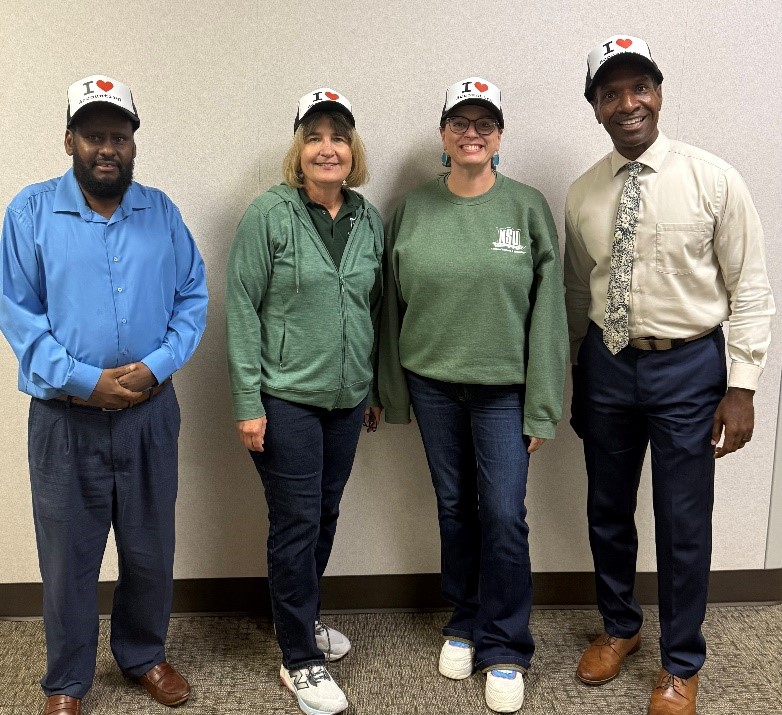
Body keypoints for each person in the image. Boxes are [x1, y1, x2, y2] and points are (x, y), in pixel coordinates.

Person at [564, 35, 774, 715]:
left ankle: (681, 662)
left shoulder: (713, 178)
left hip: (689, 367)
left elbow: (751, 287)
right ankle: (621, 625)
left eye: (639, 87)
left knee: (683, 520)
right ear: (595, 107)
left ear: (659, 93)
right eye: (611, 93)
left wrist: (740, 386)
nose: (628, 103)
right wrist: (574, 374)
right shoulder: (583, 194)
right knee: (607, 508)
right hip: (607, 363)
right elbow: (576, 292)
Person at [0, 76, 208, 715]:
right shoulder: (30, 213)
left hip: (150, 412)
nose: (107, 148)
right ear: (70, 140)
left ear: (133, 144)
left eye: (119, 135)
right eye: (94, 136)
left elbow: (192, 299)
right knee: (67, 557)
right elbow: (19, 314)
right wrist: (87, 382)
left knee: (150, 547)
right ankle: (66, 681)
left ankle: (144, 654)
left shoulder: (162, 213)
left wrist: (153, 367)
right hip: (66, 421)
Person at [379, 77, 568, 713]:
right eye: (460, 121)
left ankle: (507, 645)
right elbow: (389, 308)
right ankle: (464, 617)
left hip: (504, 392)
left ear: (499, 137)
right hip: (432, 384)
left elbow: (548, 315)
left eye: (484, 123)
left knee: (505, 515)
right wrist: (393, 391)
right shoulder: (410, 210)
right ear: (443, 134)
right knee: (455, 505)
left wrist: (544, 402)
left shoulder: (527, 208)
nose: (472, 132)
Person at [226, 88, 383, 715]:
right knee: (295, 523)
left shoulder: (368, 218)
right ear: (299, 149)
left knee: (324, 513)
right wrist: (246, 401)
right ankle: (300, 659)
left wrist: (370, 388)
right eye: (314, 136)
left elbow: (374, 309)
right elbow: (240, 307)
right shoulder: (269, 214)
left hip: (346, 401)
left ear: (352, 150)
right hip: (284, 397)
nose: (327, 148)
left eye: (339, 136)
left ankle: (301, 618)